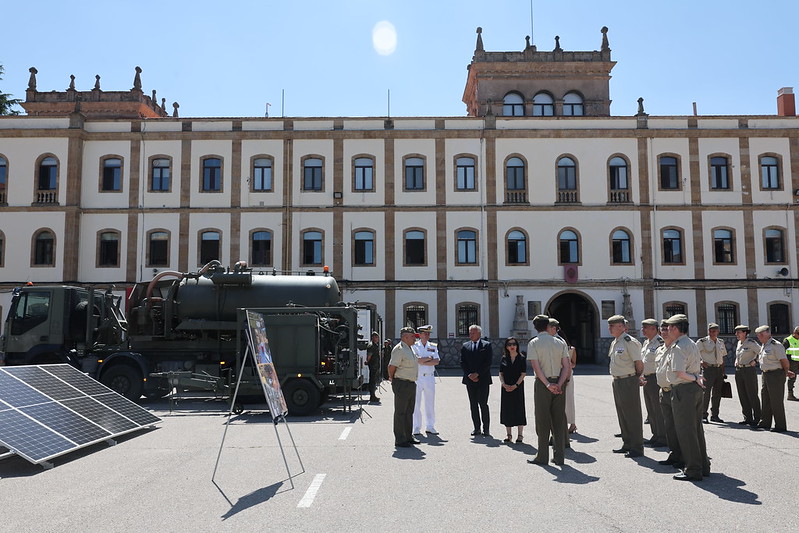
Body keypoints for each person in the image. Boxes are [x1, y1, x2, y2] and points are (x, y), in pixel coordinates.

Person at [662, 314, 710, 482]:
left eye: (668, 327)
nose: (667, 330)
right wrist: (696, 378)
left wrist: (695, 378)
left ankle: (693, 470)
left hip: (684, 390)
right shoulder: (691, 343)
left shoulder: (678, 347)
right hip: (693, 390)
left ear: (675, 328)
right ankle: (703, 466)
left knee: (686, 431)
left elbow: (680, 373)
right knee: (696, 429)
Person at [526, 315, 571, 466]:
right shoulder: (560, 342)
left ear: (535, 327)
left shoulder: (534, 343)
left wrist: (547, 385)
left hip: (543, 384)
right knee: (558, 420)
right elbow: (567, 366)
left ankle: (542, 456)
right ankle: (559, 456)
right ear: (547, 326)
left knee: (542, 420)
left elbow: (536, 367)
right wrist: (559, 383)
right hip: (559, 382)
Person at [607, 315, 644, 458]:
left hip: (628, 380)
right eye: (609, 326)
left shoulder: (630, 342)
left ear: (622, 327)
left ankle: (637, 447)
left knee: (632, 415)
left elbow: (638, 363)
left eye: (613, 326)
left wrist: (637, 377)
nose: (610, 328)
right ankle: (627, 443)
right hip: (617, 381)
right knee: (622, 414)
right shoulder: (615, 342)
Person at [755, 325, 796, 432]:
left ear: (766, 334)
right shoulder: (764, 345)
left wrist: (786, 372)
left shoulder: (776, 345)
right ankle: (765, 422)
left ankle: (780, 425)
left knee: (776, 400)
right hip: (766, 374)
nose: (759, 337)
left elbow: (784, 361)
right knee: (766, 399)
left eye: (760, 335)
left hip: (776, 374)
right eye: (758, 336)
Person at [655, 320, 683, 469]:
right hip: (663, 391)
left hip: (675, 391)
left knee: (679, 426)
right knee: (669, 427)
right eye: (662, 329)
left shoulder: (677, 348)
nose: (664, 332)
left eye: (667, 329)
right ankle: (674, 453)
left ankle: (683, 455)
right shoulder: (660, 350)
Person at [388, 327, 420, 448]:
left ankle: (408, 436)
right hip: (402, 383)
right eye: (412, 337)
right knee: (401, 412)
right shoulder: (399, 349)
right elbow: (391, 366)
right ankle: (400, 439)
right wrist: (392, 379)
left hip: (411, 383)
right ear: (405, 337)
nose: (414, 339)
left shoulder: (410, 349)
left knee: (409, 412)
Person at [460, 324, 494, 437]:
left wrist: (477, 374)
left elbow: (488, 363)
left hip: (483, 379)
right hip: (470, 380)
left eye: (473, 333)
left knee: (483, 404)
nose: (471, 335)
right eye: (469, 333)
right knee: (473, 404)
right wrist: (470, 374)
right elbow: (462, 362)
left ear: (479, 334)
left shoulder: (487, 345)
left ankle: (486, 429)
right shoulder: (465, 346)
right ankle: (476, 428)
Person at [640, 318, 666, 447]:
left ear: (654, 329)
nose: (642, 330)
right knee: (651, 410)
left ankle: (662, 436)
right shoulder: (646, 343)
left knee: (658, 409)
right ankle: (655, 435)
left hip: (655, 379)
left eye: (645, 328)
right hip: (646, 378)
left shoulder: (660, 342)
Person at [549, 318, 577, 435]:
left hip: (564, 374)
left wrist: (568, 375)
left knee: (567, 401)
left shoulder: (560, 343)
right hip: (562, 374)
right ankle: (568, 424)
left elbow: (570, 362)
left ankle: (569, 423)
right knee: (564, 401)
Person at [697, 323, 728, 423]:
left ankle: (715, 415)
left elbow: (722, 357)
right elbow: (693, 354)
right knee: (705, 393)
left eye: (714, 331)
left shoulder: (721, 342)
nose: (712, 333)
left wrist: (723, 372)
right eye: (710, 331)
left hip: (718, 369)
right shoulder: (702, 342)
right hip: (708, 369)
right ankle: (703, 415)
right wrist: (701, 362)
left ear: (718, 332)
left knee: (717, 393)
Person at [412, 324, 440, 436]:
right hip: (417, 377)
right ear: (420, 334)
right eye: (425, 333)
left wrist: (423, 360)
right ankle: (416, 427)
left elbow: (437, 361)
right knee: (416, 403)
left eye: (428, 333)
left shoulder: (433, 346)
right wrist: (429, 358)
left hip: (429, 376)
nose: (427, 335)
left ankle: (430, 426)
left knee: (430, 402)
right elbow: (416, 360)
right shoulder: (414, 346)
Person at [499, 336, 526, 443]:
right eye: (509, 344)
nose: (512, 346)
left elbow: (523, 374)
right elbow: (501, 373)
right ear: (506, 346)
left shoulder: (522, 358)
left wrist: (516, 385)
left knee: (519, 408)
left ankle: (520, 435)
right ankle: (509, 435)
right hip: (506, 387)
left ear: (517, 346)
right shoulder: (504, 358)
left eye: (514, 344)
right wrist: (503, 384)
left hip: (517, 387)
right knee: (507, 409)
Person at [733, 325, 761, 426]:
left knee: (752, 394)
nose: (736, 334)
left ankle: (757, 418)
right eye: (736, 332)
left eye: (739, 332)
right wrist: (736, 361)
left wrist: (755, 360)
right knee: (742, 395)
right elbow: (738, 355)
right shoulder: (739, 343)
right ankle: (747, 417)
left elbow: (761, 352)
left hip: (749, 370)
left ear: (745, 333)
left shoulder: (751, 343)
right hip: (739, 370)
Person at [781, 326, 799, 401]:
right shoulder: (787, 340)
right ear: (794, 333)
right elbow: (781, 352)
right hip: (792, 361)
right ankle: (790, 394)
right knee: (792, 377)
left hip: (797, 360)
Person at [365, 331, 381, 404]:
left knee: (374, 381)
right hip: (373, 365)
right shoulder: (371, 345)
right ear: (373, 337)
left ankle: (373, 395)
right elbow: (369, 355)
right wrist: (367, 361)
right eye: (376, 337)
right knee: (372, 381)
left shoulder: (375, 345)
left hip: (375, 365)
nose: (378, 339)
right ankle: (372, 396)